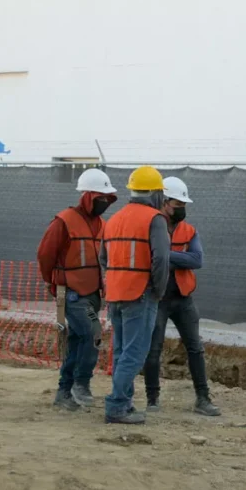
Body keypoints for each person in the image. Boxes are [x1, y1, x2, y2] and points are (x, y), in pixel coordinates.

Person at [36, 168, 117, 411]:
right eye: (101, 198)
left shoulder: (101, 224)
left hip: (91, 293)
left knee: (77, 340)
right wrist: (52, 283)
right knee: (93, 333)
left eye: (107, 199)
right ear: (88, 196)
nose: (105, 203)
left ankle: (64, 392)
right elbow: (45, 254)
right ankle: (81, 383)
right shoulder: (63, 221)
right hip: (68, 293)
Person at [99, 166, 170, 425]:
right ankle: (117, 405)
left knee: (121, 352)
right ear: (156, 192)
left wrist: (117, 279)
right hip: (141, 293)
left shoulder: (114, 219)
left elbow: (103, 258)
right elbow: (161, 259)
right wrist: (158, 290)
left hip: (116, 292)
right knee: (135, 353)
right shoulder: (155, 219)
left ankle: (124, 403)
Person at [143, 176, 220, 416]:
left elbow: (196, 260)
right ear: (164, 202)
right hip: (157, 297)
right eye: (178, 204)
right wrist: (172, 257)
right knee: (153, 350)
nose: (182, 209)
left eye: (184, 204)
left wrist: (165, 256)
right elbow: (147, 258)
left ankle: (203, 398)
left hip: (183, 298)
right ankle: (152, 399)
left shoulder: (189, 231)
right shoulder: (149, 225)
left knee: (195, 347)